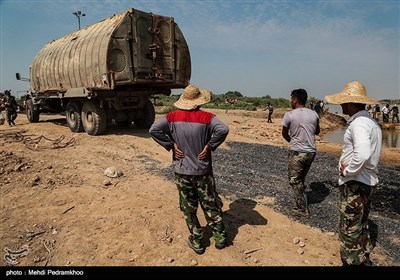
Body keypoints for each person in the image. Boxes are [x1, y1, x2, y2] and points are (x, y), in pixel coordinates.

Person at [149, 84, 229, 255]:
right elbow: (223, 129)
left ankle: (197, 240)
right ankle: (220, 237)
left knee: (189, 208)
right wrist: (209, 146)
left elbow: (153, 129)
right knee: (210, 204)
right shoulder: (208, 117)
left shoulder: (171, 117)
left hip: (182, 171)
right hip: (203, 171)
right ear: (199, 102)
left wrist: (170, 145)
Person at [324, 81, 382, 266]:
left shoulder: (358, 124)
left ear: (349, 104)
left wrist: (348, 171)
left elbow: (363, 152)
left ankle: (353, 263)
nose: (341, 106)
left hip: (356, 182)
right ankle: (364, 258)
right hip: (369, 181)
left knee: (349, 228)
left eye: (343, 102)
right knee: (361, 223)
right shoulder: (371, 123)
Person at [281, 88, 320, 218]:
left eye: (291, 98)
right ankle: (298, 203)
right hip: (311, 151)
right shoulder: (314, 114)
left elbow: (284, 133)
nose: (290, 101)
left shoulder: (289, 115)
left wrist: (292, 141)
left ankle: (303, 209)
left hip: (297, 151)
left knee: (294, 181)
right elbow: (317, 131)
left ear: (295, 100)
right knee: (301, 179)